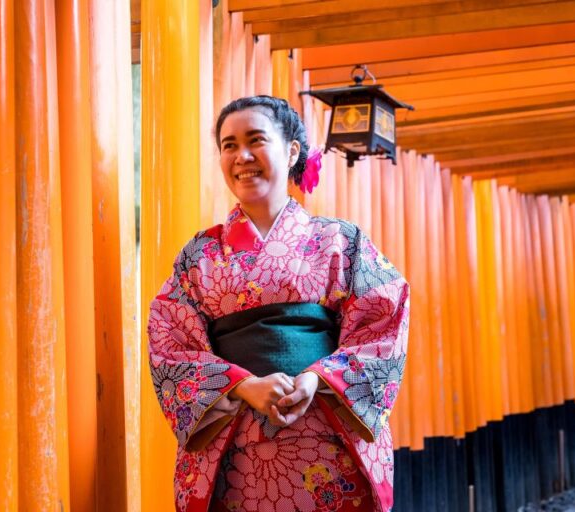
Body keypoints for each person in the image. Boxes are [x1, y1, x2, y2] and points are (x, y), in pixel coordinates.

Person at [148, 95, 409, 512]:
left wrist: (314, 379)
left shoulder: (341, 241)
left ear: (291, 151)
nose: (242, 156)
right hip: (236, 445)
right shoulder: (199, 255)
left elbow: (382, 324)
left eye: (255, 140)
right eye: (229, 145)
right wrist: (244, 385)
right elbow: (169, 340)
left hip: (325, 435)